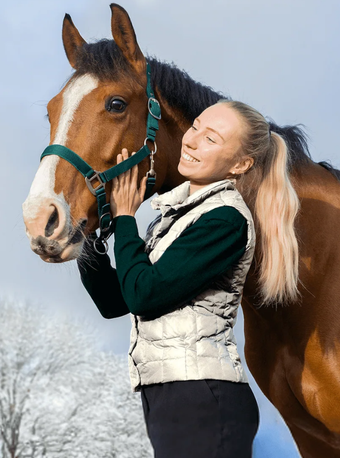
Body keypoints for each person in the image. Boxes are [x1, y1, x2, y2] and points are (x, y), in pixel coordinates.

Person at [77, 99, 301, 458]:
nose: (192, 140)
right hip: (170, 396)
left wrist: (124, 218)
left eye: (211, 139)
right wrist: (84, 237)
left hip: (202, 398)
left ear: (240, 164)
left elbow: (143, 294)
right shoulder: (175, 217)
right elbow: (115, 301)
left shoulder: (225, 220)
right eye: (195, 126)